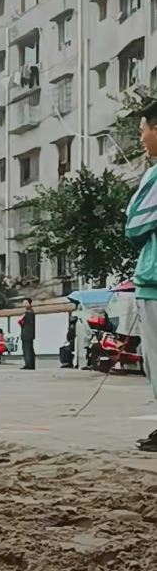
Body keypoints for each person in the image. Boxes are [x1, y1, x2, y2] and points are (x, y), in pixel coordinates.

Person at [126, 99, 157, 452]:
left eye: (142, 131)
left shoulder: (155, 175)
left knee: (155, 357)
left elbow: (134, 225)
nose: (141, 139)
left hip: (154, 281)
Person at [18, 298, 36, 371]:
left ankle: (29, 364)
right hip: (28, 333)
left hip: (27, 333)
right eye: (24, 303)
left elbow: (22, 322)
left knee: (27, 349)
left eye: (26, 303)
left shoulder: (29, 313)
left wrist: (22, 319)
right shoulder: (29, 312)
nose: (24, 304)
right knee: (29, 349)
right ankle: (30, 364)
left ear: (29, 304)